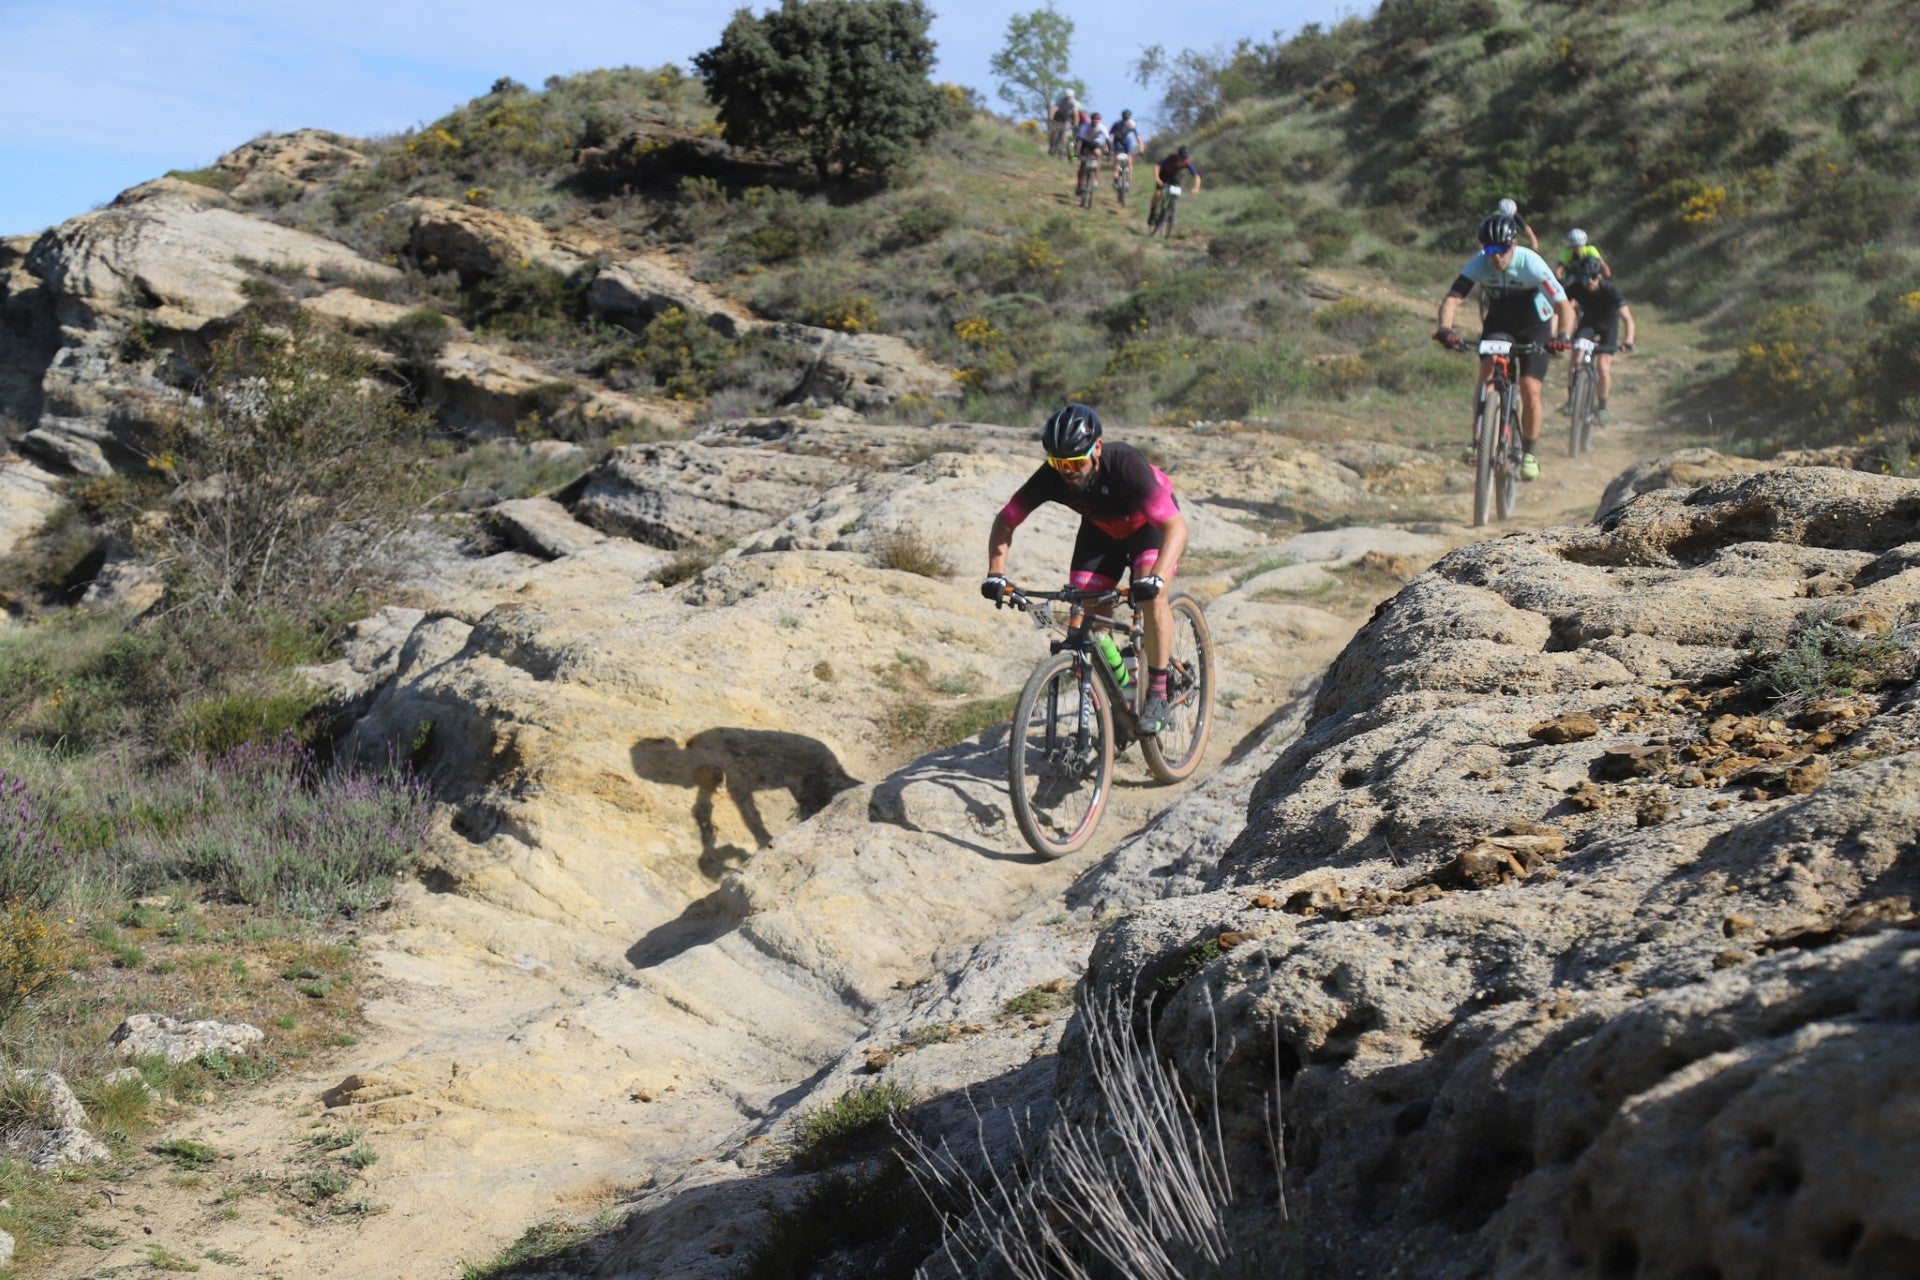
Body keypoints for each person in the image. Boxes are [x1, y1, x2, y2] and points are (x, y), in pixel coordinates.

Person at [982, 403, 1189, 734]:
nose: (1067, 471)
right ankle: (1123, 692)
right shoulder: (1053, 476)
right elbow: (1006, 520)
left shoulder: (1125, 464)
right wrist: (996, 572)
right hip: (1101, 533)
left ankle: (1159, 690)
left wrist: (1156, 577)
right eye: (1058, 463)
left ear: (1098, 449)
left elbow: (1175, 528)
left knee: (1152, 597)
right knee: (1087, 612)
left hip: (1148, 528)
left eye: (1075, 462)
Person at [1432, 212, 1578, 482]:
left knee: (1530, 389)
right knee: (1486, 373)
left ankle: (1530, 454)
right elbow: (1452, 299)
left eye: (1501, 249)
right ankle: (1479, 438)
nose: (1495, 256)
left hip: (1535, 324)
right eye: (1489, 249)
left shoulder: (1530, 263)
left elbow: (1563, 305)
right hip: (1500, 322)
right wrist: (1445, 329)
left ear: (1513, 245)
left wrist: (1563, 335)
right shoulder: (1479, 263)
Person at [1565, 256, 1636, 421]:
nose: (1588, 281)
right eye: (1584, 277)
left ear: (1600, 276)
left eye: (1593, 277)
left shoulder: (1610, 290)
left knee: (1603, 367)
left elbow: (1627, 319)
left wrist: (1629, 341)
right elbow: (1561, 307)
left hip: (1608, 326)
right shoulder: (1575, 288)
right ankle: (1571, 400)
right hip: (1588, 324)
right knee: (1576, 359)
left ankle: (1602, 406)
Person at [1149, 146, 1200, 227]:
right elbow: (1157, 166)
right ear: (1178, 155)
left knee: (1174, 191)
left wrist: (1196, 188)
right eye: (1181, 158)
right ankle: (1152, 213)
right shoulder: (1171, 158)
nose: (1182, 160)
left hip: (1174, 176)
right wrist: (1157, 177)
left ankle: (1171, 206)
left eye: (1184, 159)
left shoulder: (1187, 162)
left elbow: (1196, 176)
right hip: (1163, 175)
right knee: (1158, 194)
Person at [1074, 112, 1111, 198]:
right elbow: (1079, 139)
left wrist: (1109, 152)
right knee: (1083, 164)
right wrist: (1077, 151)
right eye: (1094, 119)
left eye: (1097, 119)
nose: (1095, 121)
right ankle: (1079, 184)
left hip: (1095, 143)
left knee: (1098, 154)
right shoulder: (1085, 126)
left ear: (1099, 121)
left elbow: (1108, 140)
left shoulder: (1102, 127)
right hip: (1085, 143)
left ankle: (1095, 180)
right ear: (1091, 120)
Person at [1109, 109, 1142, 185]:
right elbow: (1110, 135)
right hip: (1117, 140)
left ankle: (1129, 179)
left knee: (1129, 159)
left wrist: (1141, 148)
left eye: (1127, 118)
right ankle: (1116, 173)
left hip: (1127, 141)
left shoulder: (1132, 124)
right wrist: (1108, 146)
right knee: (1116, 157)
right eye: (1124, 118)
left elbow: (1138, 137)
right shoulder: (1116, 124)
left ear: (1129, 118)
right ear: (1122, 117)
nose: (1125, 120)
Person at [1048, 90, 1078, 157]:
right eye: (1066, 97)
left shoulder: (1074, 103)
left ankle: (1062, 150)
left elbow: (1076, 115)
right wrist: (1051, 119)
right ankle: (1051, 147)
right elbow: (1054, 110)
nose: (1067, 98)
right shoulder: (1059, 101)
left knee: (1066, 134)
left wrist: (1075, 124)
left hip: (1067, 117)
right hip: (1059, 116)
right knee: (1054, 130)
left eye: (1069, 97)